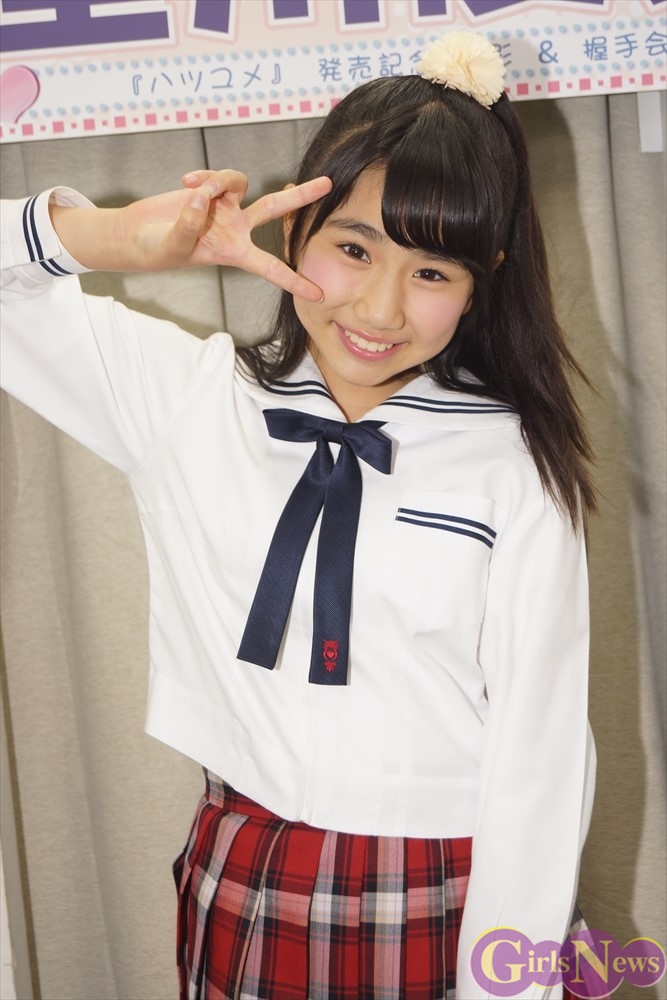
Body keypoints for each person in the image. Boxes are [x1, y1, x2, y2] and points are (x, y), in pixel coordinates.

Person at [1, 30, 601, 1000]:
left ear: (481, 283)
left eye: (432, 272)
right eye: (353, 249)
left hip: (454, 887)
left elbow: (542, 753)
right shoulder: (191, 398)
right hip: (250, 872)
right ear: (294, 233)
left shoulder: (513, 463)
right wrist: (117, 239)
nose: (380, 307)